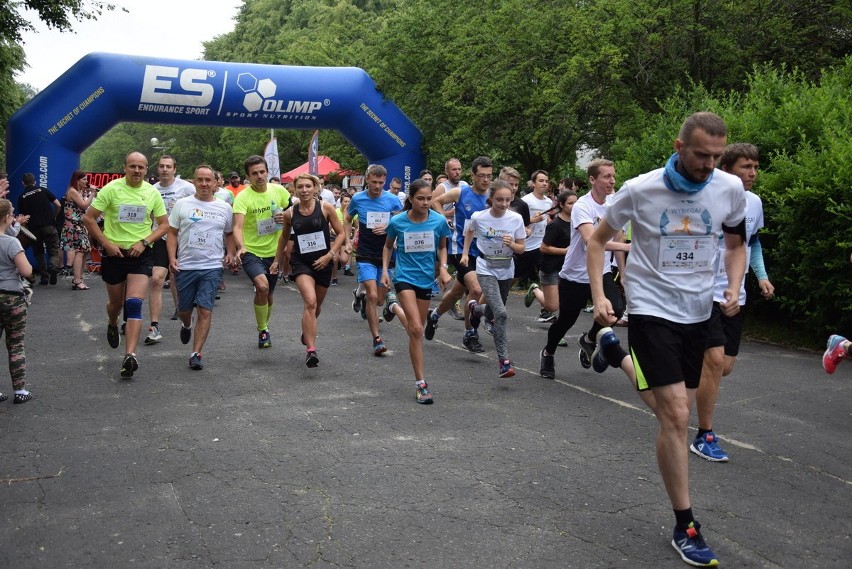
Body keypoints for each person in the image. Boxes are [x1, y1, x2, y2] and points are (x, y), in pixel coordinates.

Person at [586, 112, 747, 567]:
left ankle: (615, 354)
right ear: (679, 146)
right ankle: (686, 525)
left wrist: (733, 285)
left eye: (717, 156)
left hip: (700, 312)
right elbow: (598, 241)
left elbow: (736, 244)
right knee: (676, 415)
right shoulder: (640, 189)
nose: (709, 164)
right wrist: (600, 294)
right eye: (701, 154)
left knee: (672, 411)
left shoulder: (728, 190)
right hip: (652, 309)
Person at [692, 142, 775, 462]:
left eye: (755, 167)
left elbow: (751, 244)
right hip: (703, 292)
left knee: (723, 366)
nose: (753, 173)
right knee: (713, 361)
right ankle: (705, 435)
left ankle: (685, 367)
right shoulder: (703, 197)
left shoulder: (754, 203)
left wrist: (761, 276)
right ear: (725, 170)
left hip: (734, 295)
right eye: (745, 167)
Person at [538, 159, 629, 379]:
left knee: (615, 309)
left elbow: (618, 237)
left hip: (602, 270)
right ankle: (548, 352)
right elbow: (592, 242)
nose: (612, 180)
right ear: (592, 179)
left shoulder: (613, 205)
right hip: (576, 274)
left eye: (613, 176)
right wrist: (629, 246)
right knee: (566, 320)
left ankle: (589, 339)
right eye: (606, 176)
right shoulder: (582, 206)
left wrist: (624, 273)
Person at [83, 151, 169, 379]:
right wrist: (106, 244)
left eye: (141, 167)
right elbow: (88, 218)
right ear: (125, 167)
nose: (137, 171)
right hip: (115, 255)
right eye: (133, 166)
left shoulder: (152, 193)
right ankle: (112, 323)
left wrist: (145, 242)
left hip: (140, 255)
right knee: (116, 304)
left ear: (146, 169)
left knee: (133, 303)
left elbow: (163, 225)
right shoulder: (112, 189)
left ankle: (130, 355)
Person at [382, 179, 452, 403]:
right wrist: (385, 270)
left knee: (417, 331)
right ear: (410, 199)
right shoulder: (397, 222)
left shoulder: (439, 221)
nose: (425, 202)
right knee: (415, 328)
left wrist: (443, 268)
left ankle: (392, 305)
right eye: (420, 198)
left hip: (426, 279)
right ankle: (421, 383)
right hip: (404, 278)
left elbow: (442, 247)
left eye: (429, 198)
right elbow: (387, 246)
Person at [167, 165, 235, 371]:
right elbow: (172, 233)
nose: (204, 183)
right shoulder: (182, 204)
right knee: (184, 310)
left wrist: (230, 253)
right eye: (200, 180)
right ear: (194, 182)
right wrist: (172, 258)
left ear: (215, 183)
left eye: (208, 180)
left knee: (205, 309)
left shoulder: (224, 207)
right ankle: (186, 324)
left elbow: (229, 233)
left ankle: (196, 353)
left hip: (212, 266)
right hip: (186, 265)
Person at [276, 173, 345, 367]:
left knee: (316, 307)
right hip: (302, 262)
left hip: (323, 261)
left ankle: (307, 328)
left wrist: (330, 255)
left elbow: (341, 233)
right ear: (295, 190)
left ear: (315, 189)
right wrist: (277, 261)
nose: (304, 190)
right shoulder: (290, 213)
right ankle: (311, 350)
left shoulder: (326, 208)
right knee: (310, 302)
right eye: (301, 187)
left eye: (308, 186)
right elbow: (283, 238)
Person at [426, 156, 493, 352]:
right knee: (477, 290)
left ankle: (434, 315)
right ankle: (470, 334)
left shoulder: (492, 195)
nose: (486, 180)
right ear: (473, 176)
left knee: (456, 292)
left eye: (489, 176)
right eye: (482, 176)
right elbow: (435, 202)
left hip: (482, 250)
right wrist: (443, 221)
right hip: (460, 250)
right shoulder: (460, 192)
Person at [461, 180, 526, 377]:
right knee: (501, 314)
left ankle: (475, 309)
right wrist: (465, 253)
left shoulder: (516, 219)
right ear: (490, 199)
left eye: (508, 200)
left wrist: (513, 245)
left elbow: (522, 248)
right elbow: (469, 231)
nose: (504, 204)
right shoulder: (479, 217)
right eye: (499, 199)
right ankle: (504, 361)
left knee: (490, 311)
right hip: (485, 267)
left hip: (506, 268)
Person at [231, 155, 291, 348]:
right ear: (248, 176)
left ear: (267, 172)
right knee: (262, 287)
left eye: (262, 172)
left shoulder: (279, 190)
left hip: (274, 252)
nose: (259, 176)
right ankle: (262, 329)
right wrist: (241, 247)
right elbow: (237, 227)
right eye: (254, 173)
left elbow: (294, 212)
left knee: (269, 293)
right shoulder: (243, 197)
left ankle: (265, 325)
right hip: (251, 251)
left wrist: (285, 216)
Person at [345, 164, 402, 355]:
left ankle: (359, 296)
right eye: (374, 182)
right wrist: (347, 240)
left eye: (381, 182)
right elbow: (347, 218)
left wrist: (388, 227)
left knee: (378, 300)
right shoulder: (358, 199)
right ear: (367, 179)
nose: (377, 186)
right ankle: (376, 339)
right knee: (372, 295)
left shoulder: (393, 200)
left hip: (386, 254)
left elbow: (402, 221)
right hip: (365, 253)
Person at [146, 155, 195, 344]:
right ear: (157, 170)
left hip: (182, 238)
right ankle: (155, 327)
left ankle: (183, 314)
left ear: (174, 169)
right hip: (160, 236)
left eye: (168, 166)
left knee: (176, 278)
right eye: (161, 166)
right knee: (157, 278)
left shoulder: (186, 187)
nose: (164, 169)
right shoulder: (152, 190)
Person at [525, 190, 578, 331]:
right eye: (570, 203)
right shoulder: (556, 225)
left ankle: (558, 330)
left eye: (576, 203)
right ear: (561, 204)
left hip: (567, 268)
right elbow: (543, 248)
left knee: (567, 302)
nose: (574, 206)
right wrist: (566, 251)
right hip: (551, 268)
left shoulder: (577, 223)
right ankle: (535, 290)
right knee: (552, 306)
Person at [0, 199, 34, 404]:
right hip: (11, 297)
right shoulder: (11, 242)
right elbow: (26, 270)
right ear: (6, 217)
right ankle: (20, 390)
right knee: (15, 344)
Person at [518, 169, 554, 313]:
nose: (544, 183)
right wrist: (533, 220)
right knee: (513, 277)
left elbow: (549, 220)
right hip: (525, 246)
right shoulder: (526, 201)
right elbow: (518, 222)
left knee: (545, 275)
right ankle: (501, 298)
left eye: (546, 181)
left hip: (541, 244)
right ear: (533, 183)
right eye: (541, 181)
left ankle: (546, 310)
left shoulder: (549, 201)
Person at [18, 172, 62, 285]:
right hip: (49, 225)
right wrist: (55, 216)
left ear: (23, 183)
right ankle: (53, 266)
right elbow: (58, 205)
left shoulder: (22, 197)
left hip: (34, 229)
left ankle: (44, 278)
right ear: (35, 182)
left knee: (38, 253)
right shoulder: (42, 190)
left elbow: (23, 218)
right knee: (53, 250)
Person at [61, 170, 96, 290]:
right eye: (84, 179)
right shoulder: (72, 191)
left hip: (79, 224)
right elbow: (84, 205)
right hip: (73, 225)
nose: (87, 181)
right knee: (80, 251)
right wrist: (92, 193)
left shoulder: (78, 191)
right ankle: (76, 280)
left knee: (85, 250)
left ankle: (79, 278)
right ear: (77, 180)